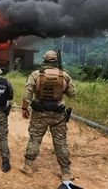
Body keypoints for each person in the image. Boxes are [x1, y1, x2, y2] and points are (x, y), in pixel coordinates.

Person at [20, 50, 76, 181]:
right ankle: (66, 172)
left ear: (43, 60)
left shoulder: (36, 74)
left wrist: (24, 108)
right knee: (60, 142)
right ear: (56, 61)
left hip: (39, 113)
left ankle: (28, 166)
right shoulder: (64, 75)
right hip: (58, 114)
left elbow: (26, 94)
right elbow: (73, 94)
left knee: (35, 139)